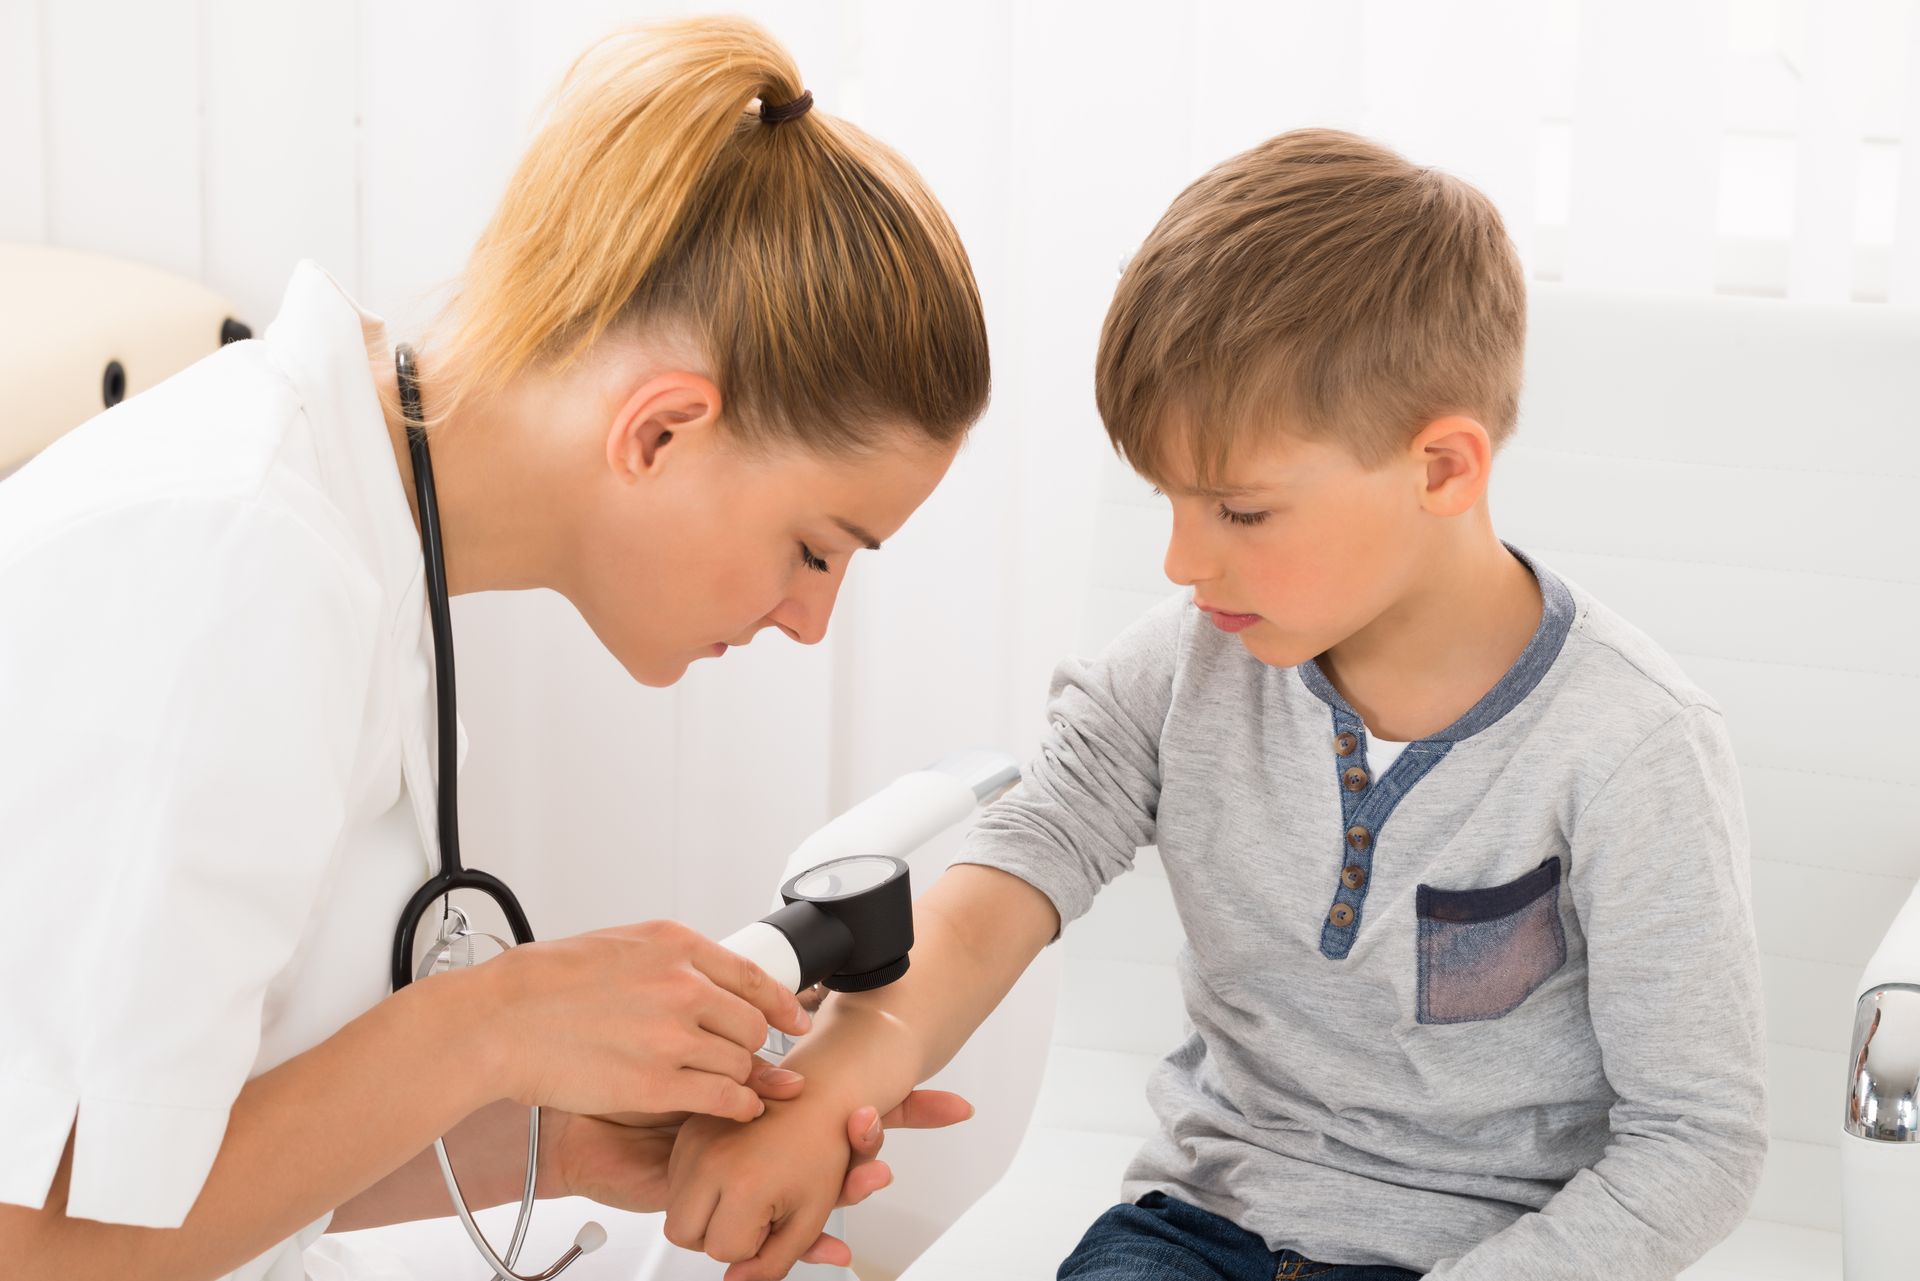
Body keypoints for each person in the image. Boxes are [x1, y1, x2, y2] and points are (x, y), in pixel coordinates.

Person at [660, 129, 1768, 1281]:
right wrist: (829, 1084)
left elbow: (1698, 1141)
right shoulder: (1187, 665)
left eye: (1239, 512)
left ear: (1443, 469)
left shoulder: (1633, 748)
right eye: (1168, 502)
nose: (1185, 562)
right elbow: (1017, 868)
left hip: (1492, 1252)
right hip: (1200, 1229)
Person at [0, 17, 987, 1281]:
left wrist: (556, 1144)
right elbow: (38, 1244)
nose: (811, 620)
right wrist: (493, 1027)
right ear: (660, 432)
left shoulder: (367, 540)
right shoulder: (240, 563)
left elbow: (164, 1173)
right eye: (816, 548)